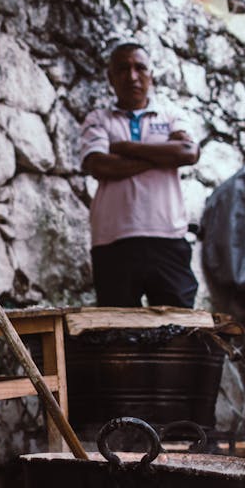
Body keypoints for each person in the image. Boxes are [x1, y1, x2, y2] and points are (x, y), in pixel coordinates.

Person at [80, 42, 200, 308]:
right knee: (119, 333)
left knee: (179, 327)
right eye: (123, 69)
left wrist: (125, 148)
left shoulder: (171, 115)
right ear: (111, 77)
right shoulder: (98, 119)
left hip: (168, 236)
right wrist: (162, 155)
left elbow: (189, 152)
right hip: (113, 241)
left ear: (151, 74)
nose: (132, 76)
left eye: (140, 68)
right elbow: (100, 165)